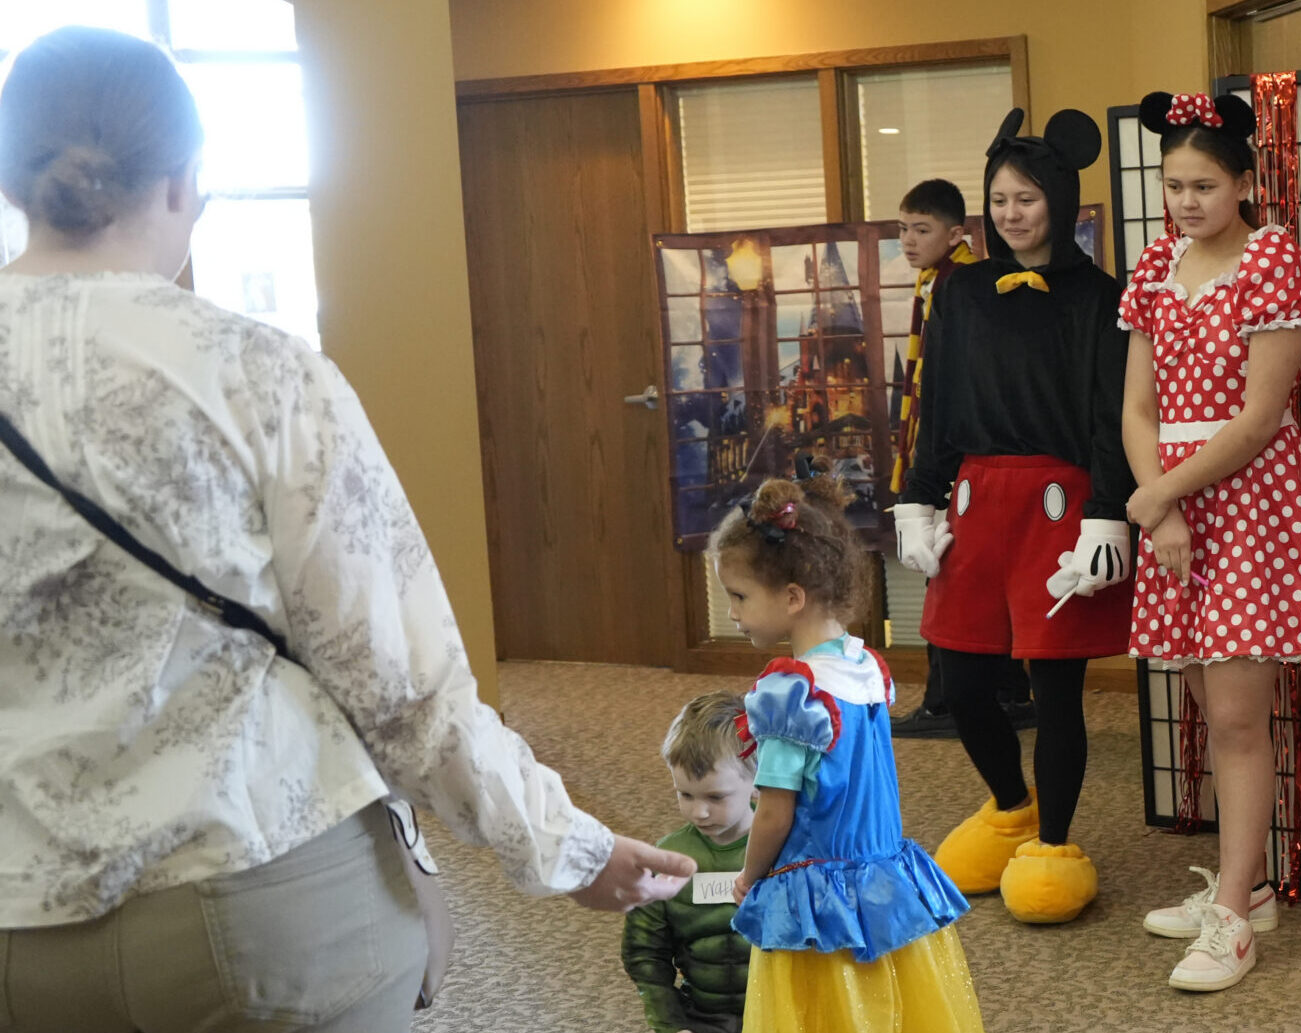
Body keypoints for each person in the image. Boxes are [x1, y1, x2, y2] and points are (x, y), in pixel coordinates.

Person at [0, 27, 693, 1033]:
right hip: (257, 898)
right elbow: (400, 682)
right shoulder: (255, 373)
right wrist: (563, 846)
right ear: (185, 182)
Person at [1119, 91, 1301, 992]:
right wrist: (1162, 508)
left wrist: (1162, 496)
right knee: (1209, 710)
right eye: (1174, 184)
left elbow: (1259, 419)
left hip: (1247, 505)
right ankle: (1241, 885)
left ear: (1246, 182)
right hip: (1175, 509)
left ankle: (1234, 918)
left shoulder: (1273, 260)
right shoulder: (1152, 265)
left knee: (1238, 717)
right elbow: (1138, 407)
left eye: (1204, 184)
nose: (1185, 200)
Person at [892, 108, 1136, 923]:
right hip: (974, 496)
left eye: (1027, 198)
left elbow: (1113, 412)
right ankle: (1010, 808)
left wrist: (1109, 512)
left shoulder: (1101, 295)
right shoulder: (960, 290)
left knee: (1057, 687)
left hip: (1061, 505)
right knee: (960, 680)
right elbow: (938, 403)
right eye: (999, 198)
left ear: (1060, 201)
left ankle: (1056, 842)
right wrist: (918, 495)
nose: (1012, 213)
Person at [712, 475, 984, 1033]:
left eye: (739, 597)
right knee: (891, 998)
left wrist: (748, 874)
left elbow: (775, 811)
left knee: (824, 1010)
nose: (733, 613)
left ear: (792, 597)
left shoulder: (791, 693)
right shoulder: (866, 667)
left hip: (817, 891)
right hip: (884, 875)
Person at [885, 178, 1035, 740]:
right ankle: (998, 692)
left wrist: (934, 469)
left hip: (966, 454)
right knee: (957, 572)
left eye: (921, 230)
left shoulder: (964, 284)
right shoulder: (935, 280)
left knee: (948, 572)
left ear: (956, 233)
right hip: (945, 450)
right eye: (902, 229)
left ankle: (953, 700)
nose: (908, 240)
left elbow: (958, 385)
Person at [622, 693, 754, 1033]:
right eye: (686, 795)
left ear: (757, 779)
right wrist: (670, 1025)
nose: (699, 812)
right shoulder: (666, 861)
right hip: (699, 1019)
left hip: (780, 1014)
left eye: (715, 796)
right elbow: (645, 954)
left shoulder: (791, 853)